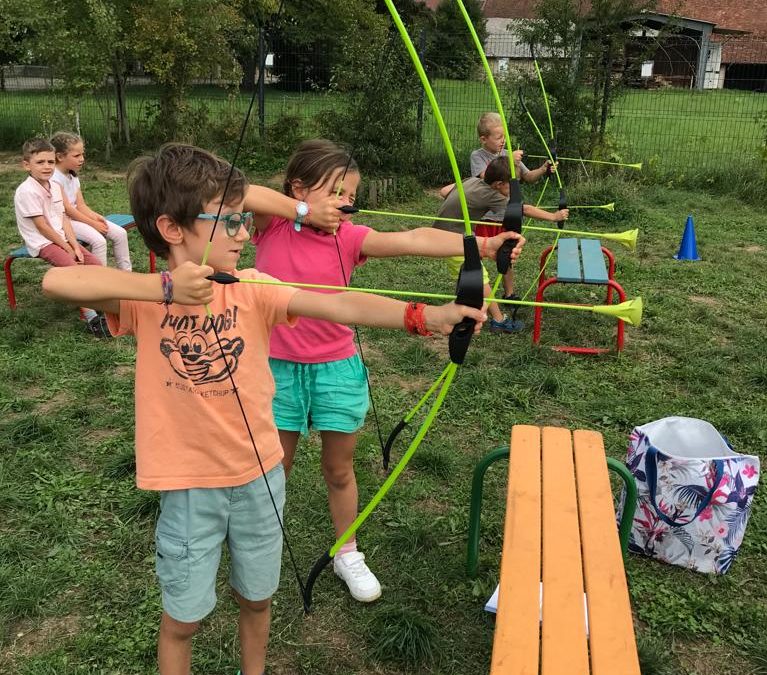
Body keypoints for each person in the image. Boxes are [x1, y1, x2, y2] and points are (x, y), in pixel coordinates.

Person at [41, 142, 488, 675]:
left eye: (242, 221)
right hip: (189, 486)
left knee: (257, 600)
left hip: (260, 478)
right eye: (228, 222)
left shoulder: (254, 288)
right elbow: (58, 280)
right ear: (172, 228)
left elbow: (338, 302)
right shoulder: (142, 299)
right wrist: (163, 286)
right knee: (181, 621)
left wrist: (425, 317)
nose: (244, 233)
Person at [245, 139, 524, 604]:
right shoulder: (270, 225)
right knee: (275, 468)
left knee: (339, 468)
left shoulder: (349, 237)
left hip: (336, 367)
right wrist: (300, 211)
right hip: (276, 369)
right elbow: (238, 191)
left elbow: (414, 238)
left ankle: (346, 550)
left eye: (350, 194)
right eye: (334, 192)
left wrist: (483, 242)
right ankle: (258, 545)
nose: (345, 203)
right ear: (297, 187)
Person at [434, 155, 568, 333]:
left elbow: (444, 191)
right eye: (511, 186)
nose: (514, 190)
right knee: (480, 277)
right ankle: (498, 320)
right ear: (498, 184)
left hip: (442, 234)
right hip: (452, 239)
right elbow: (523, 209)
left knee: (467, 274)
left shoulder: (472, 181)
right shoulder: (491, 195)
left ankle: (464, 306)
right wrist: (554, 216)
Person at [440, 112, 558, 311]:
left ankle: (509, 294)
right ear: (484, 139)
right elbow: (487, 176)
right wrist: (510, 159)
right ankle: (469, 292)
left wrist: (544, 169)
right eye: (498, 137)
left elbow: (527, 176)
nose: (502, 141)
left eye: (504, 137)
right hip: (485, 219)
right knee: (473, 258)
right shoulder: (478, 156)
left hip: (504, 217)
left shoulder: (507, 154)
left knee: (507, 256)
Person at [13, 138, 108, 337]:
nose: (47, 167)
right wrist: (67, 248)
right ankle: (92, 318)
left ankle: (101, 303)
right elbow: (42, 226)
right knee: (75, 270)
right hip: (42, 242)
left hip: (62, 238)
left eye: (50, 162)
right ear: (26, 165)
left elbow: (63, 218)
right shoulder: (26, 191)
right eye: (40, 162)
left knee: (95, 263)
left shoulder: (55, 186)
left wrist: (74, 245)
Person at [50, 131, 133, 271]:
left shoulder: (72, 176)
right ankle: (100, 284)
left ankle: (126, 274)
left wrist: (95, 216)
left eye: (82, 154)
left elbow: (80, 205)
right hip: (64, 222)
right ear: (59, 157)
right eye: (76, 155)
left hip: (77, 218)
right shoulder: (54, 178)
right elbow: (68, 209)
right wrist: (92, 223)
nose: (82, 159)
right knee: (99, 241)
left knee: (120, 233)